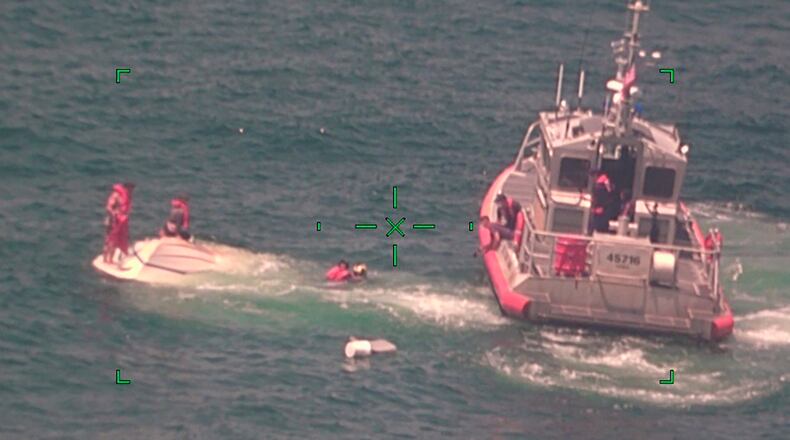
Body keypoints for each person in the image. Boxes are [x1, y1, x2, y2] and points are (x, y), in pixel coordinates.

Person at [103, 182, 135, 263]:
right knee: (110, 240)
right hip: (113, 220)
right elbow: (109, 207)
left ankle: (111, 259)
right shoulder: (116, 195)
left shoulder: (128, 196)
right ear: (126, 188)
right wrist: (114, 214)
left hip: (122, 220)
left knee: (118, 240)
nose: (132, 190)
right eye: (130, 188)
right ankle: (105, 259)